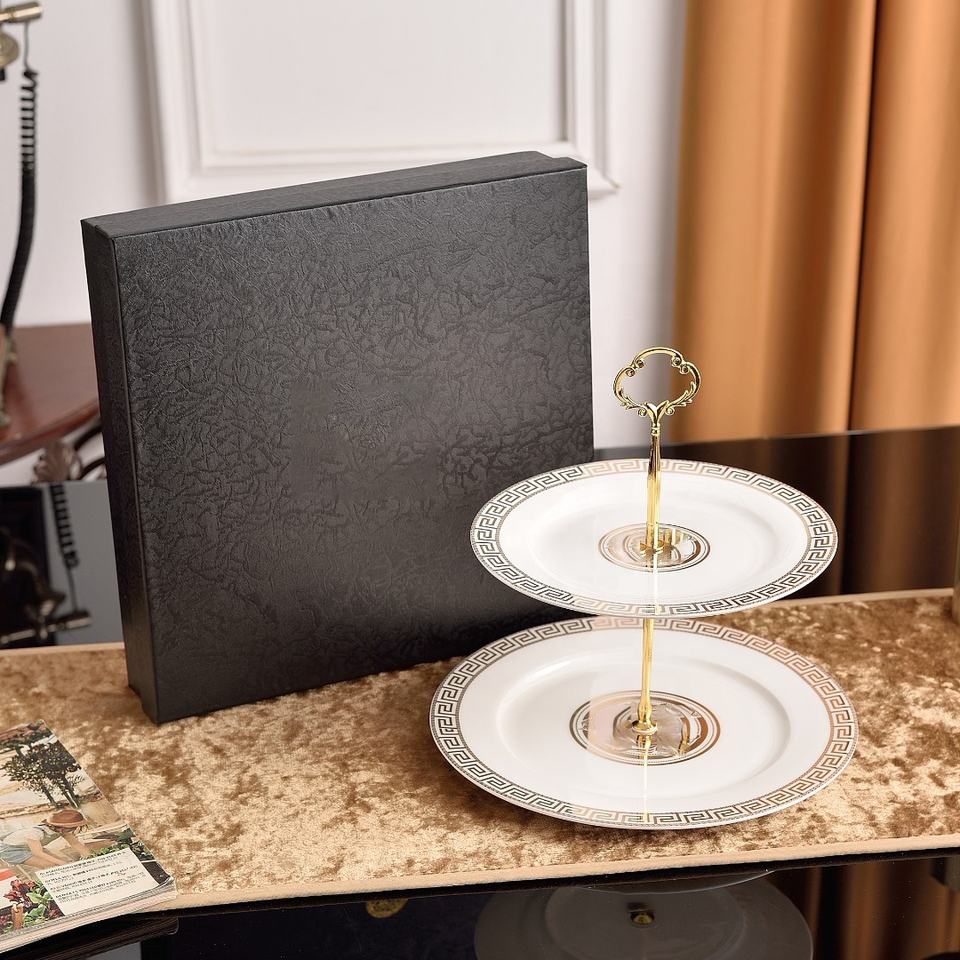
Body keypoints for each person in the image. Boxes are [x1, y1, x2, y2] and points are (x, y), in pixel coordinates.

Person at [0, 808, 92, 869]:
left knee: (65, 861)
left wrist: (90, 857)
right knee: (51, 865)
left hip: (30, 846)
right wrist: (62, 863)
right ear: (62, 827)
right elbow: (37, 853)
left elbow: (75, 844)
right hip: (11, 849)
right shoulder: (35, 833)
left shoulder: (62, 830)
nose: (74, 829)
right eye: (72, 827)